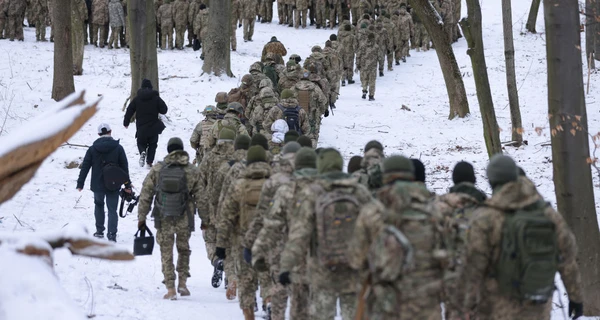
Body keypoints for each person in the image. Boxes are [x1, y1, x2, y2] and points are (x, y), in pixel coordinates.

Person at [459, 155, 583, 320]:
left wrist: (467, 306)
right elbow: (568, 258)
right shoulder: (546, 214)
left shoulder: (486, 217)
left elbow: (474, 266)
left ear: (491, 181)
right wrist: (575, 297)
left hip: (496, 309)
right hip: (538, 308)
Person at [279, 148, 373, 320]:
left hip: (322, 270)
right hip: (354, 270)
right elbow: (376, 230)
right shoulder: (360, 192)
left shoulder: (312, 193)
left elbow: (299, 234)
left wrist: (286, 266)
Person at [137, 137, 208, 300]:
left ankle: (170, 288)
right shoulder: (192, 170)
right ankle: (182, 283)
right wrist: (205, 219)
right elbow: (202, 197)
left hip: (163, 216)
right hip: (185, 216)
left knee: (166, 251)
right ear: (182, 149)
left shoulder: (157, 169)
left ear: (169, 150)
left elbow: (146, 193)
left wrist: (142, 216)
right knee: (184, 249)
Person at [216, 145, 272, 319]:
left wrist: (221, 245)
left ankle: (249, 313)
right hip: (268, 238)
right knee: (267, 274)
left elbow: (226, 216)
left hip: (242, 239)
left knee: (246, 280)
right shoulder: (274, 184)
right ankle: (268, 301)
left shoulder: (238, 185)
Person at [76, 123, 131, 242]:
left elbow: (85, 167)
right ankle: (112, 235)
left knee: (99, 205)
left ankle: (99, 231)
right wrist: (127, 185)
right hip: (113, 184)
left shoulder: (92, 149)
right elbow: (124, 168)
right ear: (110, 132)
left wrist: (80, 183)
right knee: (112, 210)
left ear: (98, 134)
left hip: (97, 184)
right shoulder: (118, 148)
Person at [124, 79, 168, 167]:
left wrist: (126, 122)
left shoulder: (137, 99)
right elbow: (164, 110)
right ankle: (149, 162)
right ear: (151, 87)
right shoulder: (156, 98)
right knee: (153, 144)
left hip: (141, 126)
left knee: (140, 142)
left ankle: (142, 152)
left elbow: (130, 109)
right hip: (153, 126)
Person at [356, 33, 379, 100]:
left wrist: (357, 64)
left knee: (364, 79)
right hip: (373, 66)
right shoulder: (376, 46)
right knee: (372, 81)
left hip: (363, 65)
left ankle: (364, 90)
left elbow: (358, 55)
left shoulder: (362, 45)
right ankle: (371, 95)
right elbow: (379, 56)